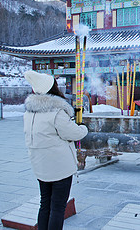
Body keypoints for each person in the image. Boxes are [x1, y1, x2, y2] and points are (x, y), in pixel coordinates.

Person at [23, 70, 88, 230]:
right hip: (59, 168)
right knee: (58, 208)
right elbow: (74, 133)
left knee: (45, 204)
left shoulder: (29, 112)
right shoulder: (57, 112)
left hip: (40, 167)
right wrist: (83, 127)